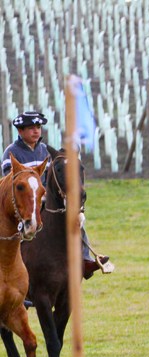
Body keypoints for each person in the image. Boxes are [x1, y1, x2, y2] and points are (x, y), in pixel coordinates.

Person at [2, 111, 113, 279]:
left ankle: (85, 260)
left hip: (45, 199)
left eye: (38, 127)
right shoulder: (12, 153)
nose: (36, 131)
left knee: (77, 218)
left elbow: (52, 177)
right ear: (20, 131)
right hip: (23, 204)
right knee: (18, 232)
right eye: (31, 128)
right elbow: (11, 181)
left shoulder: (45, 151)